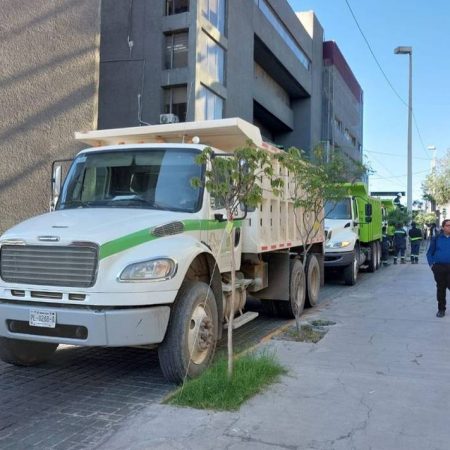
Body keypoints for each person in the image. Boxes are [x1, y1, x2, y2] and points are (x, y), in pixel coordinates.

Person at [427, 219, 450, 318]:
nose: (449, 227)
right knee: (441, 289)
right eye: (448, 225)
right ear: (443, 227)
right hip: (439, 267)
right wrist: (432, 265)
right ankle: (441, 310)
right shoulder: (436, 238)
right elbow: (429, 253)